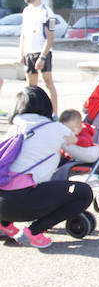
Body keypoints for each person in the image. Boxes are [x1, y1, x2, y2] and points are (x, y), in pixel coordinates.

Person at [0, 86, 92, 248]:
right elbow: (84, 155)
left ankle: (4, 224)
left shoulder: (14, 128)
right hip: (22, 203)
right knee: (84, 193)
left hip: (3, 201)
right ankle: (33, 232)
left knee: (17, 183)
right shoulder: (56, 129)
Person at [20, 0, 59, 116]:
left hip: (42, 52)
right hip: (29, 53)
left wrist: (42, 57)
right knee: (31, 87)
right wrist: (22, 53)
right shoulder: (26, 11)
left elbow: (50, 37)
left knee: (48, 83)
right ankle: (31, 112)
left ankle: (54, 113)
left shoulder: (47, 12)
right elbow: (23, 34)